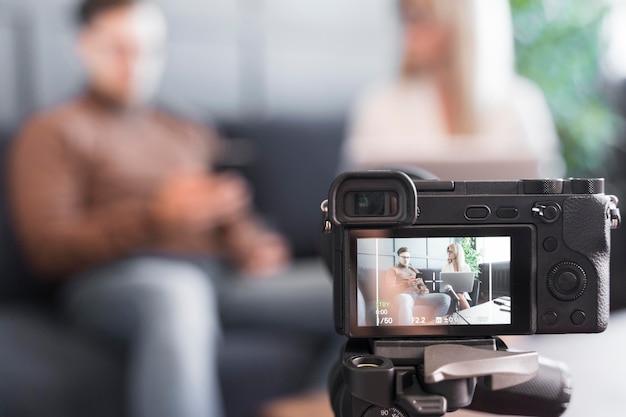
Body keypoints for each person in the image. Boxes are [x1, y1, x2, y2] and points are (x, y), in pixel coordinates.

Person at [7, 1, 336, 416]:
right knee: (178, 292)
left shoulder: (186, 127)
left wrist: (249, 242)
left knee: (360, 287)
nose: (137, 64)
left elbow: (229, 213)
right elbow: (47, 248)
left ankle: (306, 407)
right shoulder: (53, 130)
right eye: (119, 49)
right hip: (115, 281)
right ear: (84, 46)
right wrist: (153, 216)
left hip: (217, 277)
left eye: (149, 49)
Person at [341, 0, 565, 180]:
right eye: (406, 15)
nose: (408, 30)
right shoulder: (378, 104)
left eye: (420, 16)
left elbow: (546, 194)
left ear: (461, 22)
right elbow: (355, 208)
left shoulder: (522, 104)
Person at [385, 247, 451, 324]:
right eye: (403, 257)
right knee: (406, 299)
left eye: (408, 257)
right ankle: (407, 333)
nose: (406, 259)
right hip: (403, 295)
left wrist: (424, 289)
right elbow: (390, 289)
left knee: (445, 298)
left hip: (418, 295)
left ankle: (432, 326)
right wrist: (407, 284)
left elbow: (422, 285)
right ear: (398, 257)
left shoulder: (414, 270)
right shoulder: (393, 270)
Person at [443, 242, 473, 310]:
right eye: (448, 251)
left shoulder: (465, 267)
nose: (448, 253)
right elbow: (444, 283)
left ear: (457, 253)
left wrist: (461, 289)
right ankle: (468, 314)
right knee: (458, 294)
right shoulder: (446, 267)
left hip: (462, 292)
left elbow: (468, 284)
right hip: (449, 291)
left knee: (459, 293)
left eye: (451, 251)